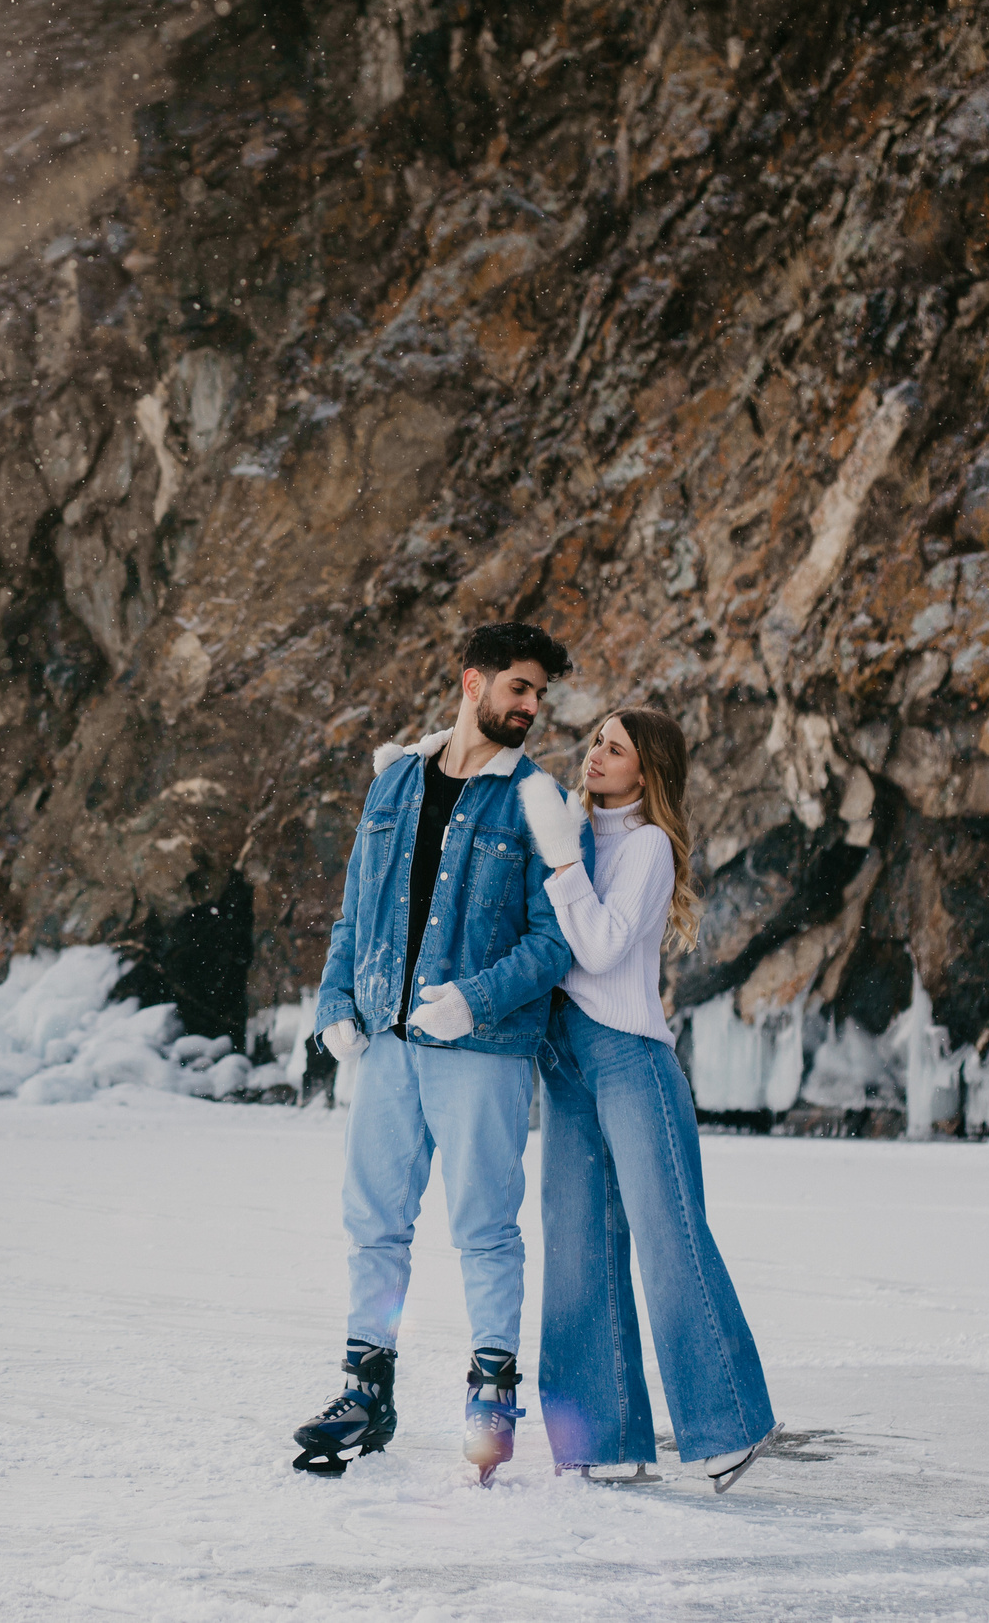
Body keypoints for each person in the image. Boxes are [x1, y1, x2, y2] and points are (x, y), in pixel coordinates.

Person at [290, 621, 578, 1483]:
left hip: (482, 1049)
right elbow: (355, 909)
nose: (530, 706)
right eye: (518, 688)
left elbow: (557, 939)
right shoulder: (393, 784)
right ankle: (365, 1388)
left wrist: (476, 998)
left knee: (485, 1226)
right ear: (471, 683)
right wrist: (335, 998)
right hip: (385, 1042)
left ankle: (491, 1395)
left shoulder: (541, 802)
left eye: (539, 695)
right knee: (373, 1220)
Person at [518, 708, 780, 1494]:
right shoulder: (566, 828)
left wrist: (564, 867)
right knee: (576, 1244)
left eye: (616, 747)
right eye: (596, 740)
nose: (596, 754)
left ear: (648, 771)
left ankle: (727, 1424)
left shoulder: (645, 846)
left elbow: (597, 946)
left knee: (669, 1236)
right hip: (563, 1055)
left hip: (629, 1055)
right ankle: (602, 1438)